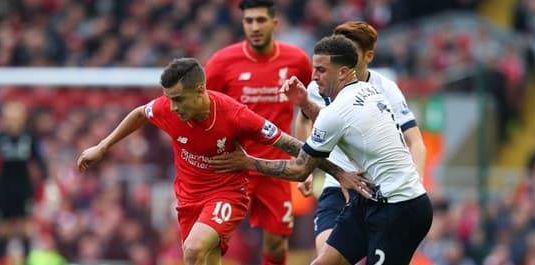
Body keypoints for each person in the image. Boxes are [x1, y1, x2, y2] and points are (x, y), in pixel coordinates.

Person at [76, 58, 368, 265]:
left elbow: (290, 144)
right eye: (169, 99)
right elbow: (141, 113)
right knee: (205, 258)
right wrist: (102, 147)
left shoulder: (235, 115)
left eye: (179, 99)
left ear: (200, 90)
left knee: (192, 250)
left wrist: (338, 172)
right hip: (188, 197)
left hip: (226, 192)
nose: (173, 107)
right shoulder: (166, 107)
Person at [210, 35, 433, 265]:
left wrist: (246, 161)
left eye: (321, 70)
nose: (313, 76)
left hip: (400, 209)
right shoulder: (367, 91)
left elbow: (299, 169)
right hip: (369, 199)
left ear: (343, 72)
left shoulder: (337, 112)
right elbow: (340, 125)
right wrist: (306, 104)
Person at [295, 21, 428, 254]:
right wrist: (305, 169)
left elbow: (415, 141)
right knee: (326, 253)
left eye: (351, 53)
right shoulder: (321, 83)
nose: (342, 58)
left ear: (369, 56)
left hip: (378, 191)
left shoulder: (385, 88)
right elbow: (305, 118)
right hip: (336, 183)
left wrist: (415, 185)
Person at [204, 0, 312, 264]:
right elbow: (204, 112)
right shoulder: (222, 62)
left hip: (276, 168)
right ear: (242, 23)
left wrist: (306, 161)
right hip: (233, 167)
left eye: (260, 20)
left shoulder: (297, 60)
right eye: (249, 21)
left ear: (274, 23)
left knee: (276, 246)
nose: (254, 26)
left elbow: (308, 111)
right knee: (213, 239)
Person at [0, 102, 48, 265]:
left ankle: (26, 261)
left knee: (25, 228)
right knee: (2, 229)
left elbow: (39, 160)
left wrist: (45, 177)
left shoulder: (29, 137)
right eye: (9, 118)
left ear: (22, 119)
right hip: (4, 188)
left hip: (23, 188)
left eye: (15, 118)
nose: (12, 121)